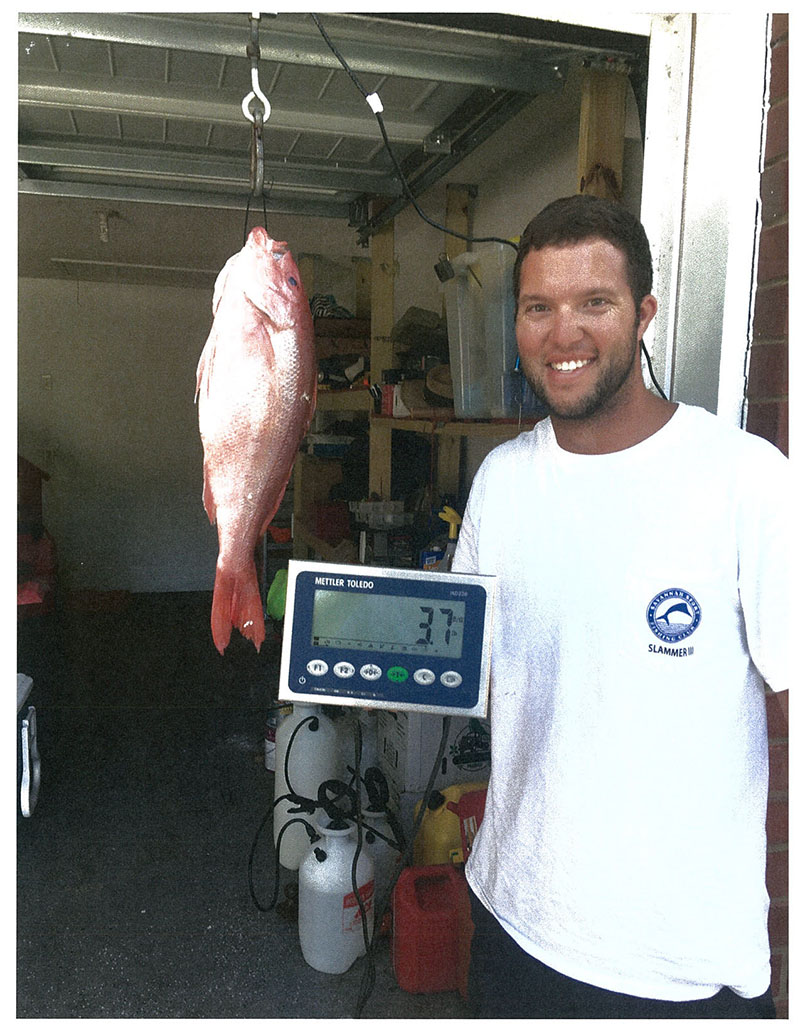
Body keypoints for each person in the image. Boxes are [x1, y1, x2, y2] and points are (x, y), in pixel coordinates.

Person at [452, 194, 789, 1019]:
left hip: (671, 965)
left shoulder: (747, 480)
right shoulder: (502, 479)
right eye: (538, 307)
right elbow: (470, 671)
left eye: (593, 302)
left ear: (643, 314)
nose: (562, 333)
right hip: (512, 917)